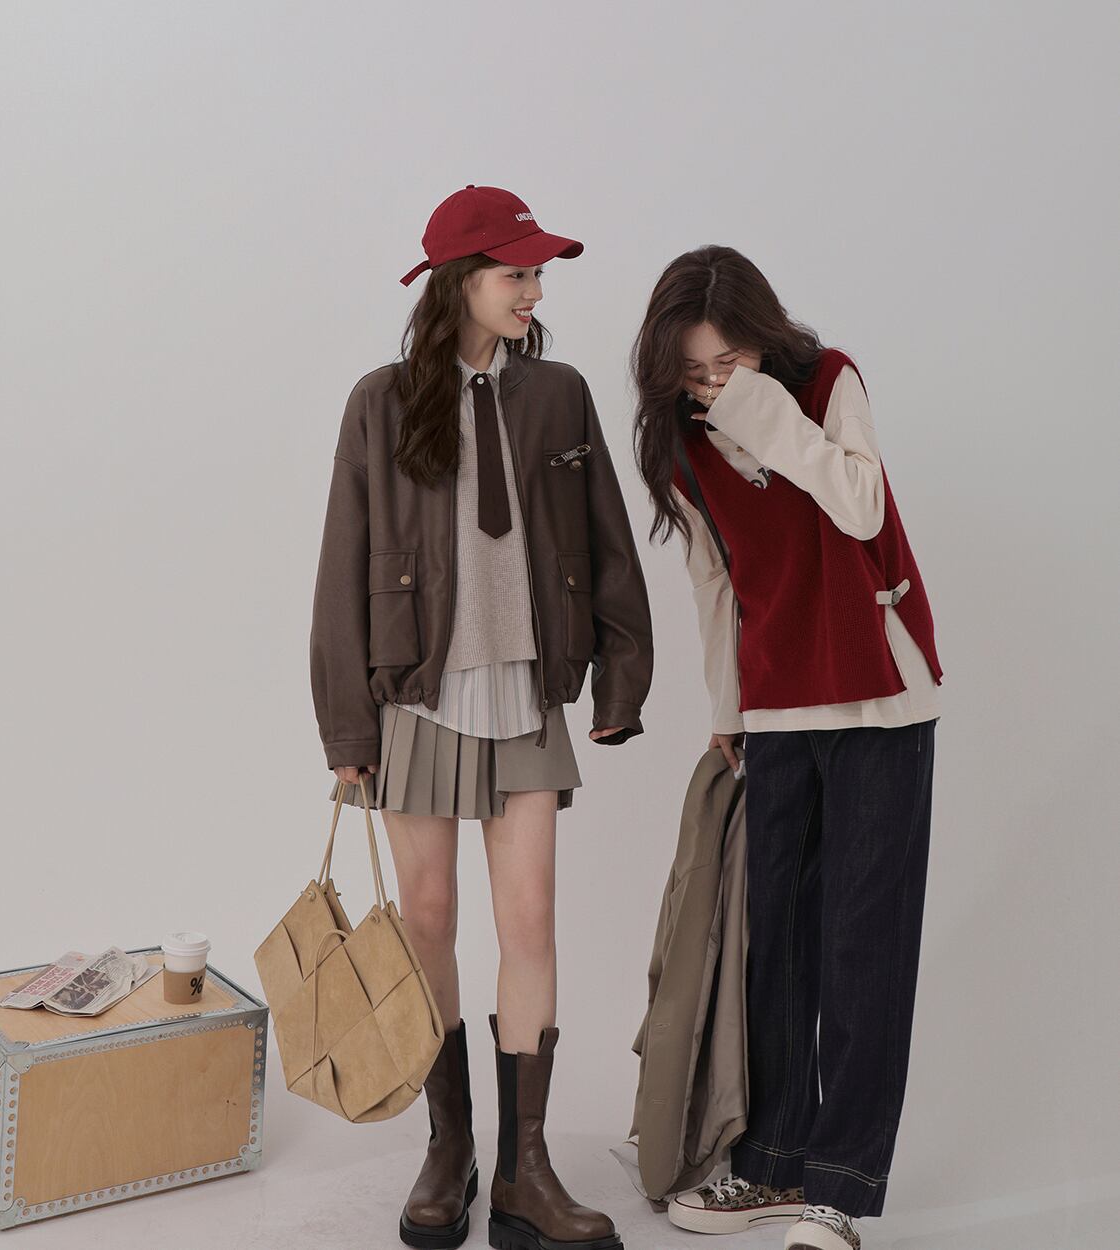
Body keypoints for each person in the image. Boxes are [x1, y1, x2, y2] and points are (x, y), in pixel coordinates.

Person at [310, 184, 652, 1250]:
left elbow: (607, 541)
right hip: (418, 692)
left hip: (526, 689)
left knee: (530, 919)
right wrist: (347, 731)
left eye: (538, 272)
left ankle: (525, 1169)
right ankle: (448, 1147)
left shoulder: (559, 394)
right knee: (425, 917)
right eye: (516, 272)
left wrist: (621, 680)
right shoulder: (381, 401)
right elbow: (340, 566)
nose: (534, 290)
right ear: (461, 280)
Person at [630, 246, 943, 1250]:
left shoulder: (826, 382)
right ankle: (770, 1161)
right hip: (773, 711)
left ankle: (838, 1187)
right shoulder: (682, 447)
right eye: (691, 372)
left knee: (862, 945)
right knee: (774, 946)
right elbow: (714, 582)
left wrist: (760, 409)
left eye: (726, 362)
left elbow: (859, 504)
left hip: (878, 698)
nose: (710, 385)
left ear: (761, 338)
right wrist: (726, 709)